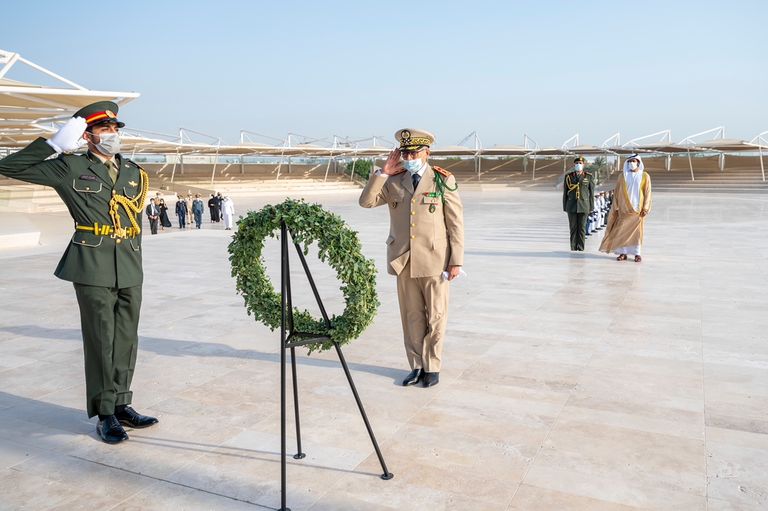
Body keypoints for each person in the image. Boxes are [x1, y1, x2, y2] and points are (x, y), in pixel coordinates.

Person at [0, 101, 158, 444]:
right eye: (105, 130)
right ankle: (104, 414)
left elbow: (134, 221)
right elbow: (8, 166)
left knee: (126, 339)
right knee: (101, 338)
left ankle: (121, 404)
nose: (112, 135)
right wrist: (53, 145)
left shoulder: (132, 171)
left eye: (115, 130)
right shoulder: (68, 167)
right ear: (87, 135)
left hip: (129, 263)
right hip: (92, 264)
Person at [359, 128, 464, 388]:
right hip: (403, 260)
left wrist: (456, 260)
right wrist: (383, 173)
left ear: (427, 152)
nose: (409, 156)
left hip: (435, 260)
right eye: (404, 152)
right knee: (411, 316)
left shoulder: (442, 180)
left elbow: (455, 224)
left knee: (436, 317)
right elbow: (366, 201)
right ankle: (416, 366)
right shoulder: (394, 180)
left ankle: (433, 367)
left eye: (414, 152)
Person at [599, 154, 652, 262]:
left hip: (638, 210)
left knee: (637, 233)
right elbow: (617, 192)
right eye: (629, 161)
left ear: (638, 162)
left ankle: (637, 254)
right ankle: (623, 253)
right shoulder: (622, 176)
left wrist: (645, 207)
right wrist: (616, 207)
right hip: (624, 209)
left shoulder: (645, 176)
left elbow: (647, 192)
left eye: (633, 161)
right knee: (622, 232)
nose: (631, 163)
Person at [562, 156, 595, 251]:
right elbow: (565, 193)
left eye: (580, 164)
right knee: (573, 228)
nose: (578, 165)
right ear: (574, 165)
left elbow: (591, 193)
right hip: (571, 205)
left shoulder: (588, 176)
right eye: (576, 163)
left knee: (582, 228)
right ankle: (573, 247)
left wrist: (591, 207)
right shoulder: (569, 176)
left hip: (584, 206)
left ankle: (580, 248)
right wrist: (565, 206)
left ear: (583, 165)